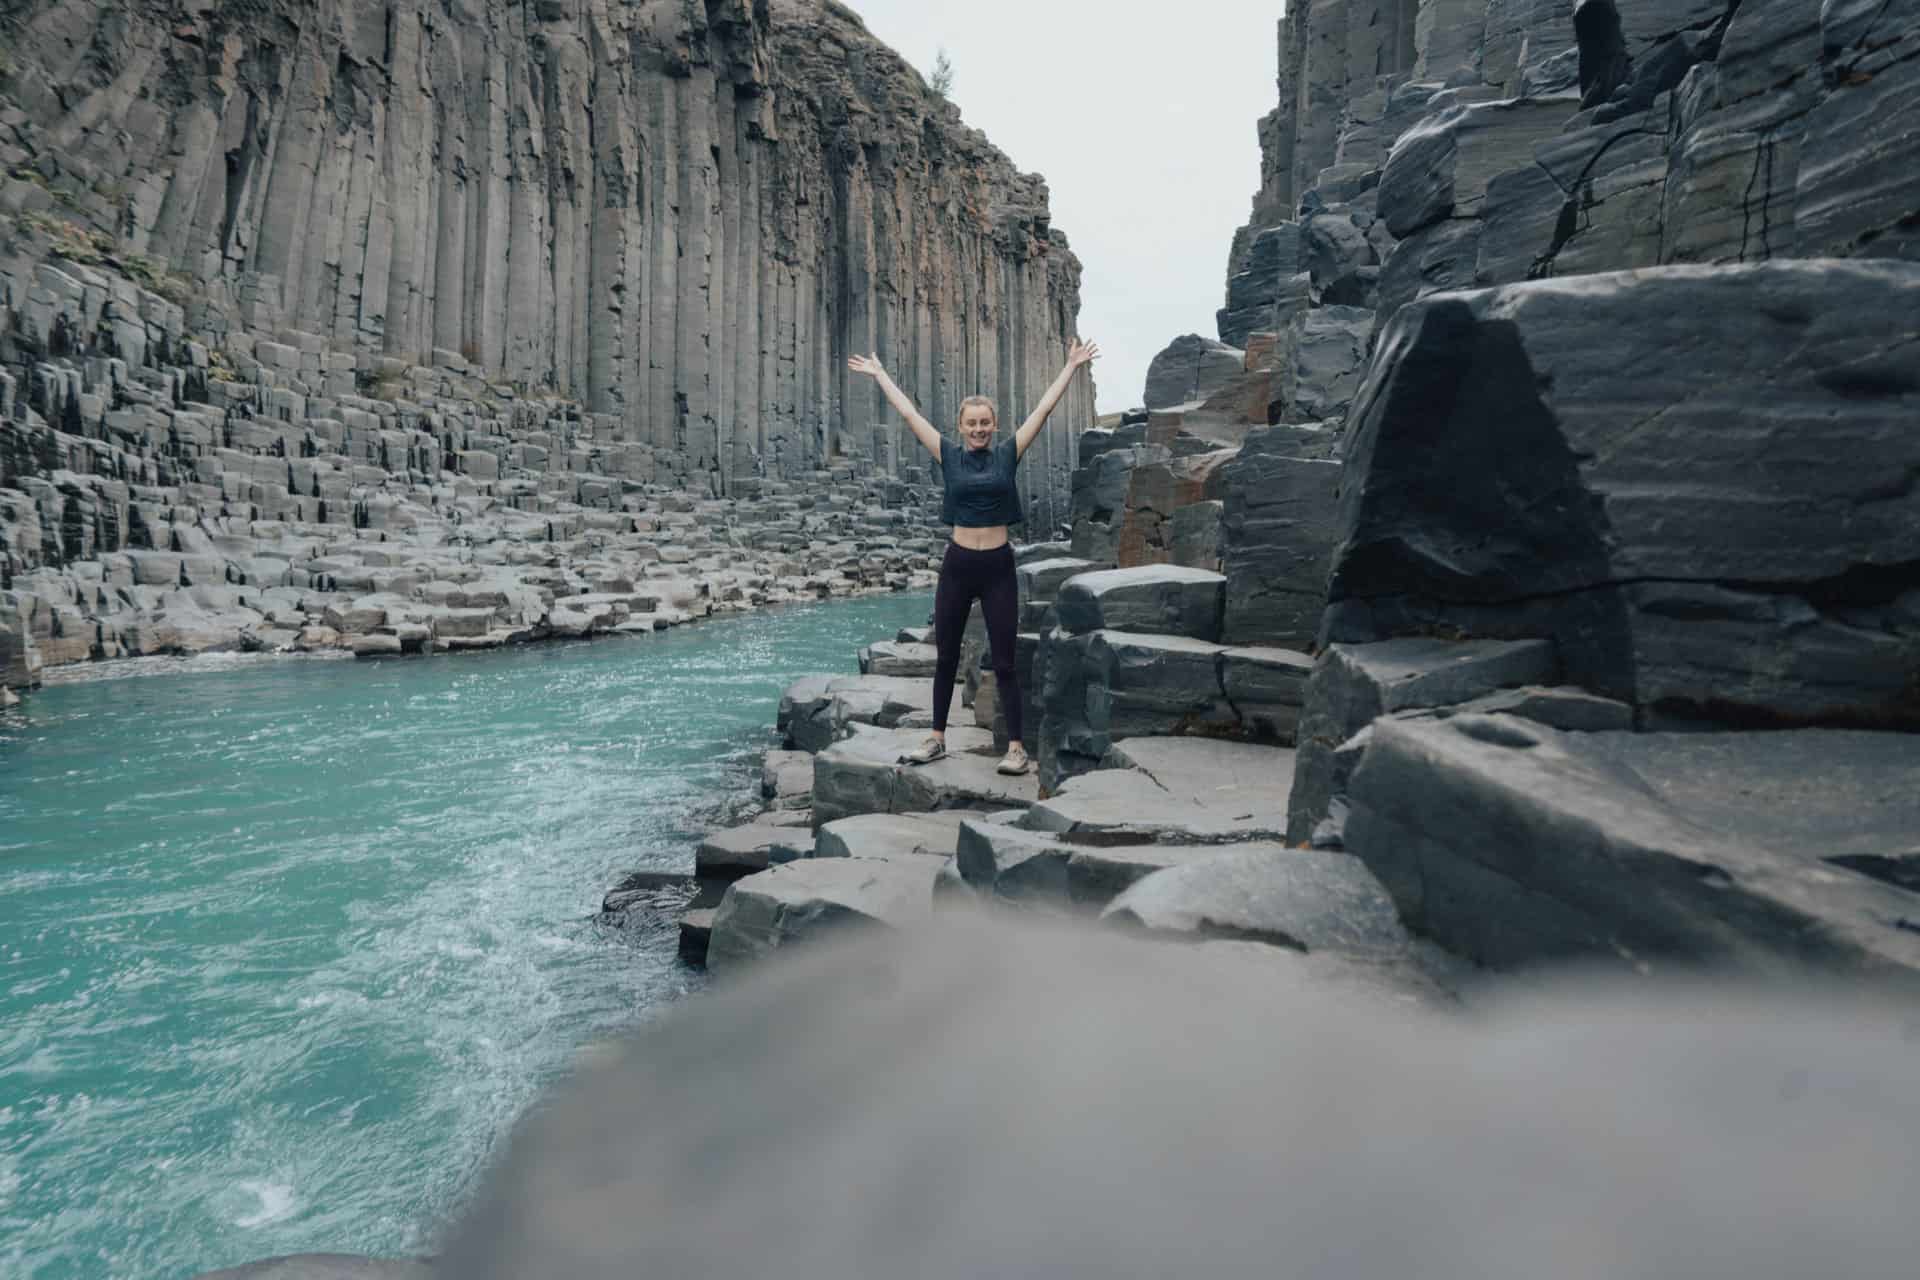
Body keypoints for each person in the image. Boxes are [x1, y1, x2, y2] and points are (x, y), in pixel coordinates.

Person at [847, 338, 1099, 776]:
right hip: (959, 565)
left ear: (994, 425)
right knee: (945, 655)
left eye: (985, 423)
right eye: (972, 424)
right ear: (961, 427)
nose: (979, 429)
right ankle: (936, 738)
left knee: (1003, 661)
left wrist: (1071, 367)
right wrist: (880, 374)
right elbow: (909, 415)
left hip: (998, 566)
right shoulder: (949, 455)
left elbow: (1042, 410)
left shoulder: (1007, 453)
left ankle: (1017, 749)